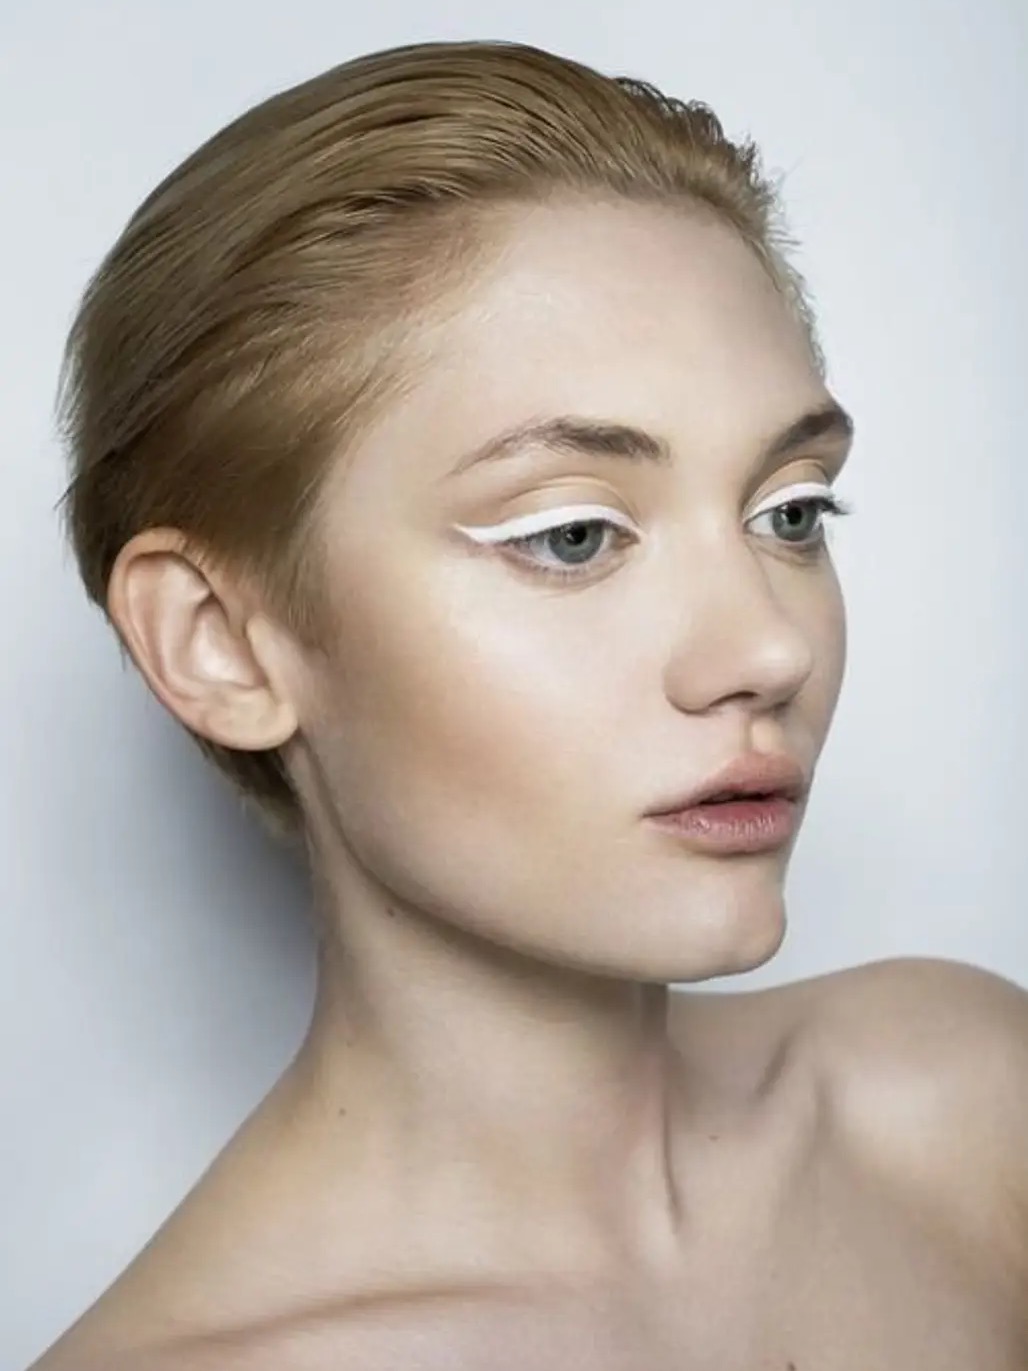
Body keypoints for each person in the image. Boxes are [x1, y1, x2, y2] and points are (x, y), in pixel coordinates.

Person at [32, 36, 1028, 1371]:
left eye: (790, 511)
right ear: (222, 645)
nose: (766, 649)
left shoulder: (969, 1111)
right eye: (572, 536)